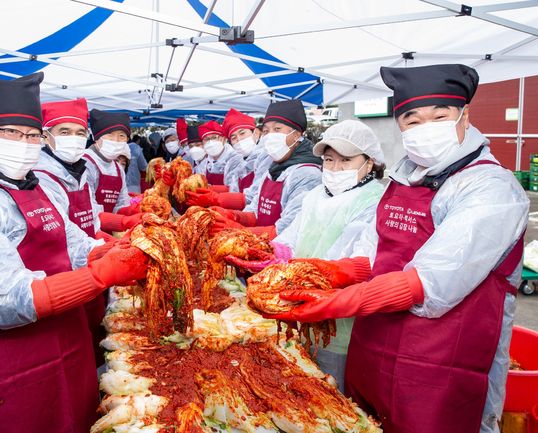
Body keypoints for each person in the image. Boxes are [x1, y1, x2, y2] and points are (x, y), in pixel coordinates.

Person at [267, 64, 529, 433]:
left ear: (464, 116)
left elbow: (434, 278)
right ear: (400, 126)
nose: (425, 129)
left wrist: (340, 301)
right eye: (412, 120)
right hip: (372, 351)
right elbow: (373, 256)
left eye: (439, 117)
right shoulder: (402, 179)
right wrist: (331, 272)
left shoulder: (490, 188)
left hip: (440, 368)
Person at [0, 71, 148, 433]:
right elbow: (4, 299)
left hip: (55, 346)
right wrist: (101, 274)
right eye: (10, 132)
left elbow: (75, 242)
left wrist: (109, 251)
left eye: (32, 135)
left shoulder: (33, 187)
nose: (24, 142)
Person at [230, 119, 386, 392]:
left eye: (346, 160)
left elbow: (355, 260)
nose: (335, 168)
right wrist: (273, 254)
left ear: (369, 163)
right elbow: (292, 235)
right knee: (297, 380)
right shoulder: (315, 195)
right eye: (329, 160)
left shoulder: (374, 200)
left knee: (328, 387)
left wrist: (299, 274)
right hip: (297, 305)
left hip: (338, 318)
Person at [190, 99, 323, 239]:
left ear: (297, 135)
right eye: (266, 130)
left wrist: (238, 230)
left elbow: (287, 231)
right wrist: (232, 216)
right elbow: (255, 212)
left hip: (280, 257)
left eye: (277, 129)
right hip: (259, 246)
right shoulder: (272, 170)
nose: (270, 135)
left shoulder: (308, 175)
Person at [34, 98, 98, 236]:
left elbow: (94, 222)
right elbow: (61, 235)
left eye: (80, 133)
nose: (74, 138)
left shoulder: (81, 172)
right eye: (65, 132)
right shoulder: (39, 176)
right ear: (45, 136)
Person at [84, 110, 139, 233]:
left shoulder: (118, 168)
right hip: (87, 232)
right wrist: (125, 221)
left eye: (121, 136)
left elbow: (121, 203)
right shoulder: (85, 163)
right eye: (109, 134)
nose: (116, 140)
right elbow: (89, 211)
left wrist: (136, 210)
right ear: (96, 137)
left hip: (111, 228)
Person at [222, 108, 268, 196]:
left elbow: (254, 196)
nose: (239, 139)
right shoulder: (239, 164)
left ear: (256, 133)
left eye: (242, 133)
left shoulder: (266, 158)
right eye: (234, 138)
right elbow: (233, 190)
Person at [195, 120, 245, 191]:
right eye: (206, 139)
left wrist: (210, 189)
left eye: (214, 138)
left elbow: (234, 189)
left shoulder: (235, 160)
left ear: (224, 139)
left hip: (229, 200)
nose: (211, 142)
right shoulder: (203, 164)